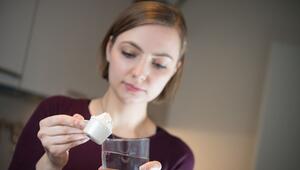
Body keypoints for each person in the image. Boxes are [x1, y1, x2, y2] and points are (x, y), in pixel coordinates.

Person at [9, 1, 194, 170]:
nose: (139, 73)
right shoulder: (55, 111)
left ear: (174, 70)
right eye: (129, 53)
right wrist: (50, 164)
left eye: (159, 64)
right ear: (109, 48)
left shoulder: (178, 156)